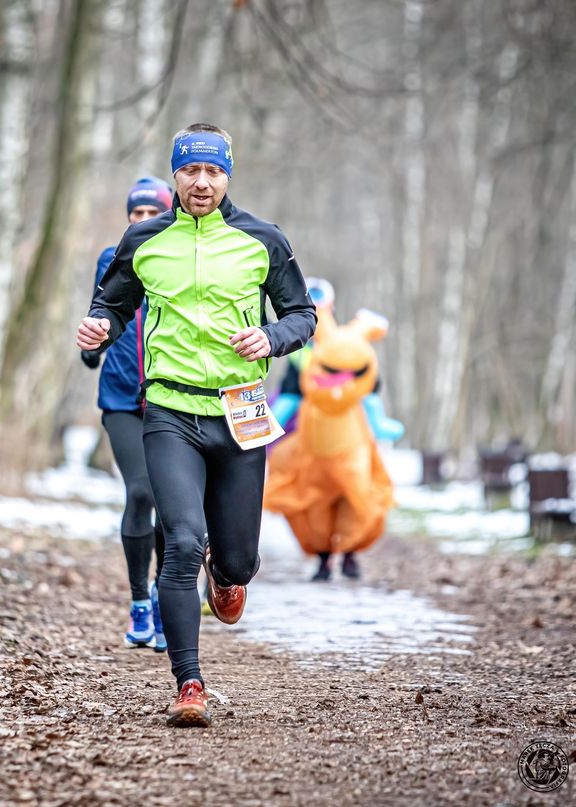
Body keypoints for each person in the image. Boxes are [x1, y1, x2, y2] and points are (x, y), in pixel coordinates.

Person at [77, 123, 316, 727]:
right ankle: (189, 684)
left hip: (239, 414)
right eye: (190, 171)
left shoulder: (262, 239)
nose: (201, 182)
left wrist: (271, 335)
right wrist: (99, 325)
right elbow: (112, 299)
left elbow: (302, 315)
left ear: (227, 175)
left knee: (236, 560)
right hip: (170, 411)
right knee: (181, 542)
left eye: (212, 172)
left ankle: (229, 577)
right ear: (176, 176)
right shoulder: (145, 239)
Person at [81, 177, 173, 652]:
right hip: (120, 397)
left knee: (170, 500)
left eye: (149, 214)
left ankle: (164, 596)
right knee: (140, 491)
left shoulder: (180, 260)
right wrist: (92, 348)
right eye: (134, 215)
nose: (140, 221)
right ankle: (140, 601)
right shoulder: (111, 257)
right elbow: (102, 309)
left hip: (168, 397)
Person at [270, 278, 403, 582]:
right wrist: (271, 425)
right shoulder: (299, 348)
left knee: (356, 495)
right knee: (313, 498)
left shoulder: (347, 344)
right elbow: (290, 391)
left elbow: (369, 387)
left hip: (351, 436)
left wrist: (379, 423)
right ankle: (323, 557)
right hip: (311, 438)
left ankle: (351, 552)